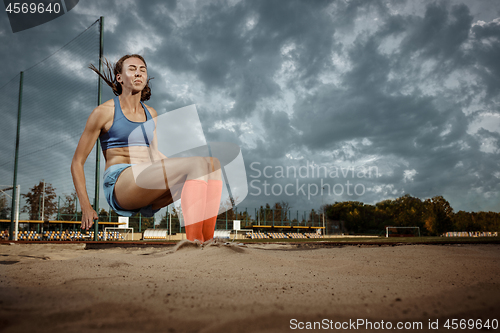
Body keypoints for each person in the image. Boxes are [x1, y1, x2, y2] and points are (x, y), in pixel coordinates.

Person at [71, 54, 222, 243]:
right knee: (196, 165)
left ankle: (207, 242)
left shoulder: (151, 113)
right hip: (120, 183)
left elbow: (154, 155)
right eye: (132, 69)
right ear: (119, 78)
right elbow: (77, 162)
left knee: (212, 164)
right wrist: (85, 205)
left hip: (147, 179)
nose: (138, 73)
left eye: (142, 70)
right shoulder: (103, 112)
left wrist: (186, 167)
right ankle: (194, 245)